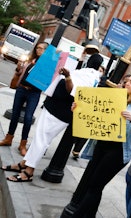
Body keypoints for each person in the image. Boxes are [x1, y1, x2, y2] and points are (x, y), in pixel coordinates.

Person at [62, 72, 131, 217]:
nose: (127, 83)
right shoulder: (116, 98)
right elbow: (95, 110)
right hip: (101, 145)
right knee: (93, 184)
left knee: (95, 185)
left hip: (119, 151)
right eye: (127, 81)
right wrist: (78, 108)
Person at [1, 53, 103, 182]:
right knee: (40, 138)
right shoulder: (90, 76)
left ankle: (29, 171)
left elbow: (72, 90)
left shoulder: (88, 76)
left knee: (41, 140)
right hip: (56, 108)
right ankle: (24, 164)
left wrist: (67, 76)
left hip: (58, 111)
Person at [0, 42, 49, 155]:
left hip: (34, 93)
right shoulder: (31, 60)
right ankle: (8, 138)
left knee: (28, 118)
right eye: (37, 48)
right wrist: (18, 68)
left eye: (41, 49)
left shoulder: (47, 65)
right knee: (15, 114)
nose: (38, 50)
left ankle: (22, 144)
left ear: (46, 51)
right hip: (21, 89)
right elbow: (20, 73)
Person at [71, 64, 106, 158]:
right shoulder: (89, 79)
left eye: (101, 71)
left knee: (86, 131)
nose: (99, 72)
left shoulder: (104, 84)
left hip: (94, 111)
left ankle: (77, 150)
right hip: (84, 108)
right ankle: (74, 143)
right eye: (98, 70)